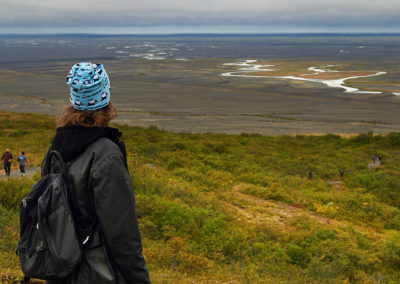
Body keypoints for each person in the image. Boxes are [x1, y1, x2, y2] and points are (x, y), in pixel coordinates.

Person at [42, 62, 150, 283]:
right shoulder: (106, 155)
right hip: (97, 273)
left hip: (60, 268)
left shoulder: (56, 147)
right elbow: (122, 234)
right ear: (106, 97)